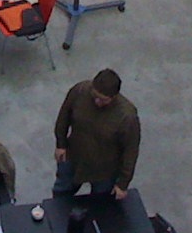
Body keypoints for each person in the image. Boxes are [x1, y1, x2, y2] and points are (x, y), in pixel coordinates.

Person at [53, 68, 141, 199]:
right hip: (73, 157)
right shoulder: (80, 91)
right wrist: (61, 144)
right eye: (95, 97)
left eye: (103, 100)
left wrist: (123, 183)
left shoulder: (127, 117)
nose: (97, 102)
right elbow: (64, 116)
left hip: (104, 171)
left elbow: (130, 151)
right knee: (60, 196)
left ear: (114, 96)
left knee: (101, 205)